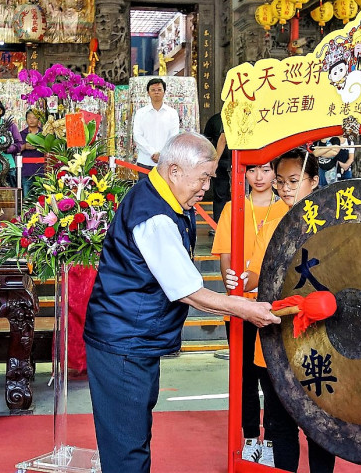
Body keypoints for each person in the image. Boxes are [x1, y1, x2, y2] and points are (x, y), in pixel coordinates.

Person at [83, 131, 280, 473]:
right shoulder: (155, 216)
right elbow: (187, 290)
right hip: (123, 343)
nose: (206, 187)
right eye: (203, 177)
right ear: (174, 171)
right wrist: (245, 308)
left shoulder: (166, 198)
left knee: (132, 435)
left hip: (134, 338)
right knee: (127, 446)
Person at [225, 147, 340, 473]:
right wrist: (245, 279)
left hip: (320, 341)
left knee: (319, 426)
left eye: (294, 180)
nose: (285, 188)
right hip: (277, 339)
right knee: (279, 423)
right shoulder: (273, 221)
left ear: (314, 181)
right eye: (281, 181)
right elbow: (262, 275)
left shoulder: (335, 220)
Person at [211, 158, 288, 465]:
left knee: (271, 376)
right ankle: (247, 437)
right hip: (240, 307)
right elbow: (225, 258)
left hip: (272, 307)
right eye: (253, 169)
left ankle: (269, 440)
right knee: (243, 377)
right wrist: (230, 279)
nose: (259, 176)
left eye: (266, 169)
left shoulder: (286, 210)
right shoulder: (232, 208)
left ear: (275, 174)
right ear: (242, 173)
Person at [132, 78, 179, 169]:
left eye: (159, 90)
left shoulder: (172, 113)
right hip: (145, 161)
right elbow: (137, 136)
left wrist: (161, 154)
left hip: (166, 162)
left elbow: (174, 137)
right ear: (148, 93)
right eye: (153, 90)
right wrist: (152, 152)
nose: (156, 92)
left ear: (164, 92)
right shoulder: (140, 113)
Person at [201, 111, 231, 221]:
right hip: (223, 164)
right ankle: (219, 225)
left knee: (221, 196)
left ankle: (220, 225)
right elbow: (210, 140)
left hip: (234, 163)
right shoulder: (215, 120)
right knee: (221, 195)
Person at [19, 109, 44, 198]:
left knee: (41, 198)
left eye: (34, 118)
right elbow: (15, 149)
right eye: (29, 118)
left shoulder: (44, 134)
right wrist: (24, 146)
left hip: (41, 170)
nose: (32, 120)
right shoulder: (21, 134)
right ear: (26, 120)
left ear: (39, 120)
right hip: (26, 170)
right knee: (27, 197)